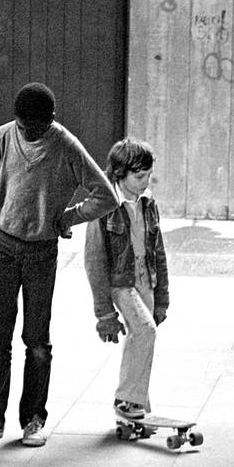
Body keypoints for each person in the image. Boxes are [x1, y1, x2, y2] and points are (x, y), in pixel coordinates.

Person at [0, 83, 119, 447]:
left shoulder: (65, 144)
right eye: (23, 125)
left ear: (51, 119)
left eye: (36, 127)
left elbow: (106, 195)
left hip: (41, 253)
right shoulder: (3, 138)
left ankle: (33, 419)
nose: (28, 132)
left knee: (37, 341)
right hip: (2, 248)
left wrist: (68, 217)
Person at [84, 138, 169, 419]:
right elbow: (94, 261)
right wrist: (105, 314)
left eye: (148, 175)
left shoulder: (148, 202)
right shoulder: (104, 205)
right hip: (121, 283)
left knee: (142, 335)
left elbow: (158, 250)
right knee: (145, 331)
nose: (145, 182)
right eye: (139, 176)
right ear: (120, 173)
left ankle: (138, 400)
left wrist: (162, 299)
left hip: (147, 278)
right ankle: (126, 400)